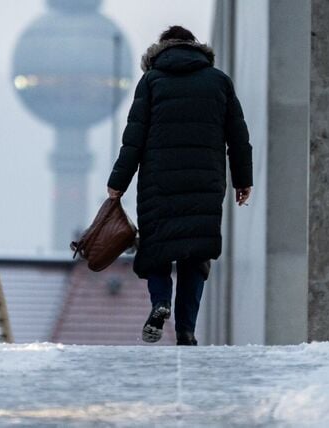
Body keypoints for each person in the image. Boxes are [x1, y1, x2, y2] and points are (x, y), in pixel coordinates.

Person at [106, 25, 252, 346]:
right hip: (205, 182)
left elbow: (134, 139)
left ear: (161, 49)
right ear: (195, 47)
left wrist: (118, 184)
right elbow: (238, 138)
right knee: (195, 254)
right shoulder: (219, 82)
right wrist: (243, 180)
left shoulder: (152, 81)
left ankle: (160, 303)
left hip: (159, 183)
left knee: (156, 249)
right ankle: (186, 330)